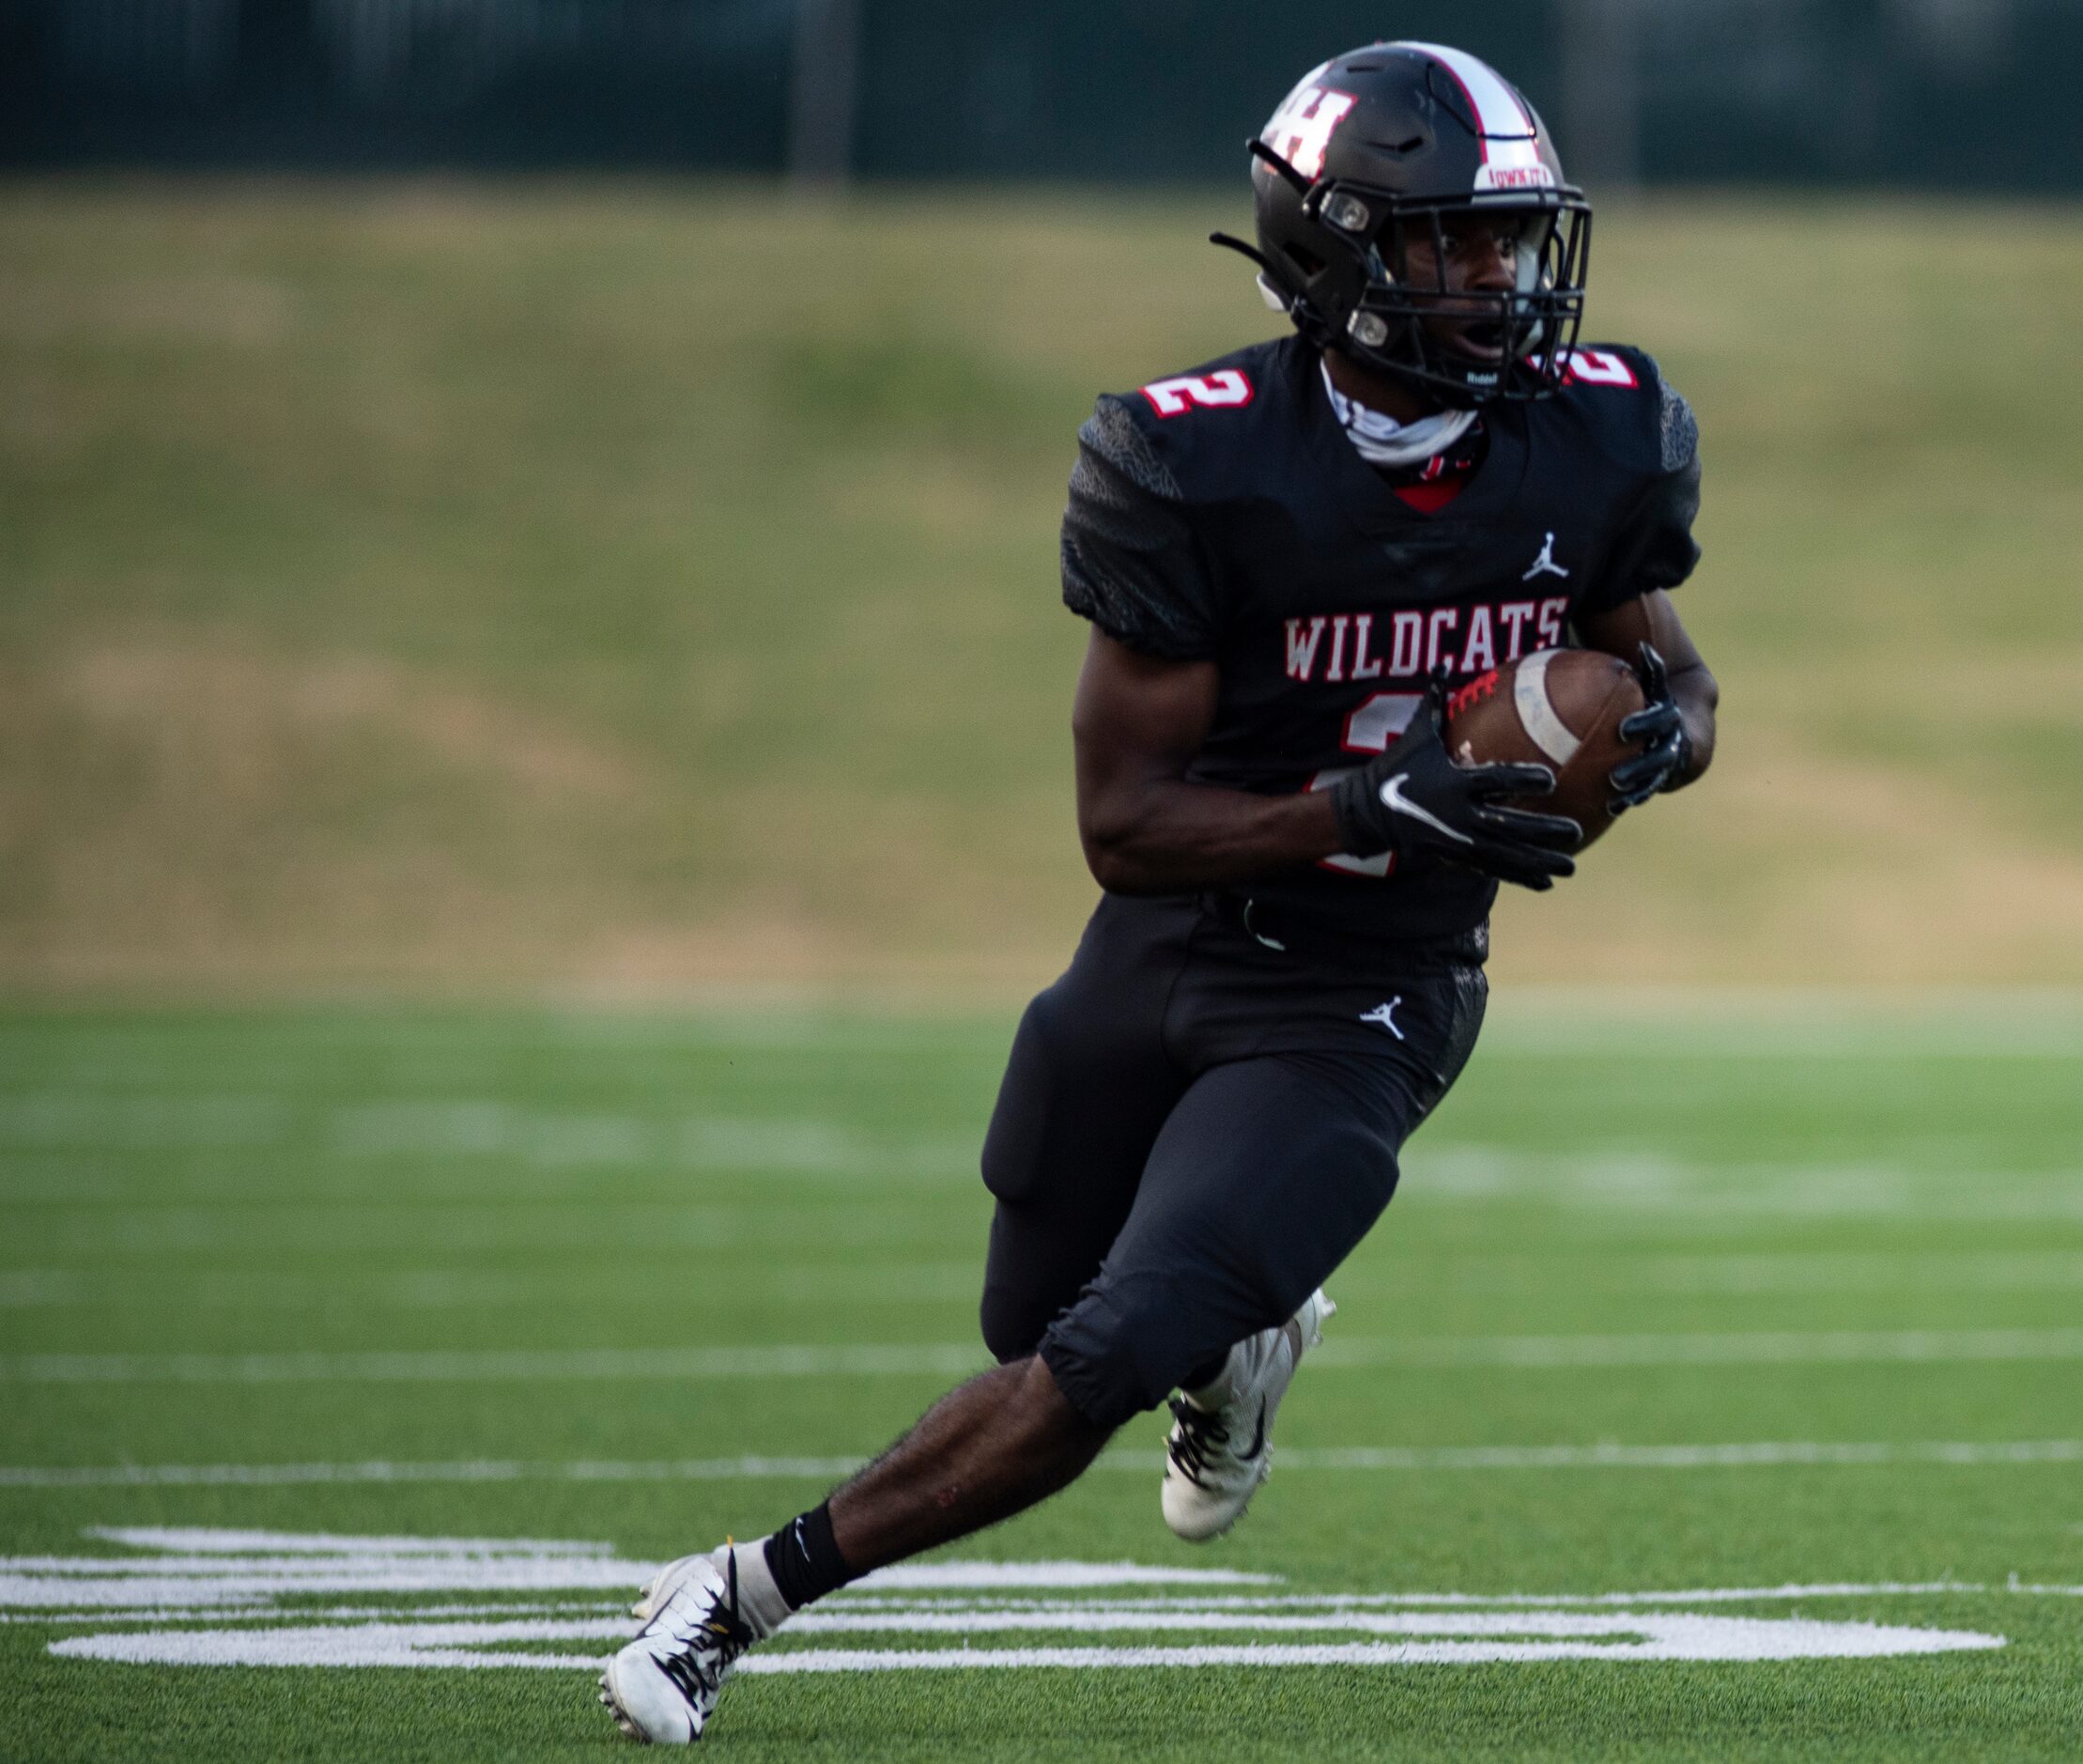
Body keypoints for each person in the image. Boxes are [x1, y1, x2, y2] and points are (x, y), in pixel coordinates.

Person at [598, 39, 1718, 1743]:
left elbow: (1674, 675)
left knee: (1100, 1357)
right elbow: (1122, 823)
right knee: (1023, 1323)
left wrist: (1663, 746)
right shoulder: (1195, 461)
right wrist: (1367, 796)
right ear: (1331, 246)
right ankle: (1246, 1337)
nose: (1499, 279)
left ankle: (733, 1595)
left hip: (1368, 997)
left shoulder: (1599, 435)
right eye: (1454, 242)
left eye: (1511, 239)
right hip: (1168, 935)